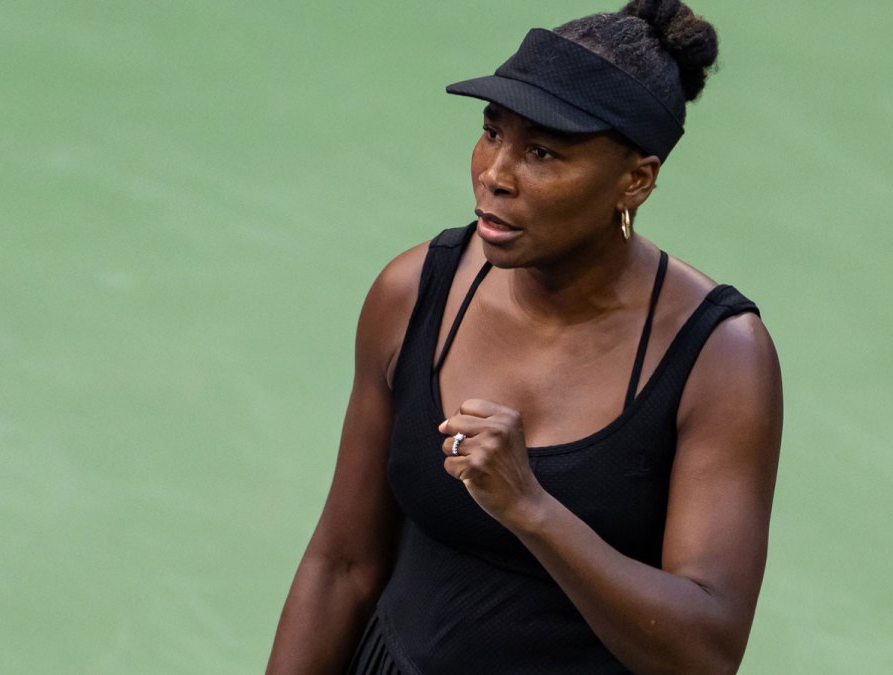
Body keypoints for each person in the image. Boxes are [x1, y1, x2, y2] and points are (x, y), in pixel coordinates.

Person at [266, 0, 782, 672]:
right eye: (492, 132)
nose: (494, 174)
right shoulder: (413, 291)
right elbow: (340, 564)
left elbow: (705, 650)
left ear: (635, 179)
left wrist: (532, 508)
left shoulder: (720, 358)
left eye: (542, 151)